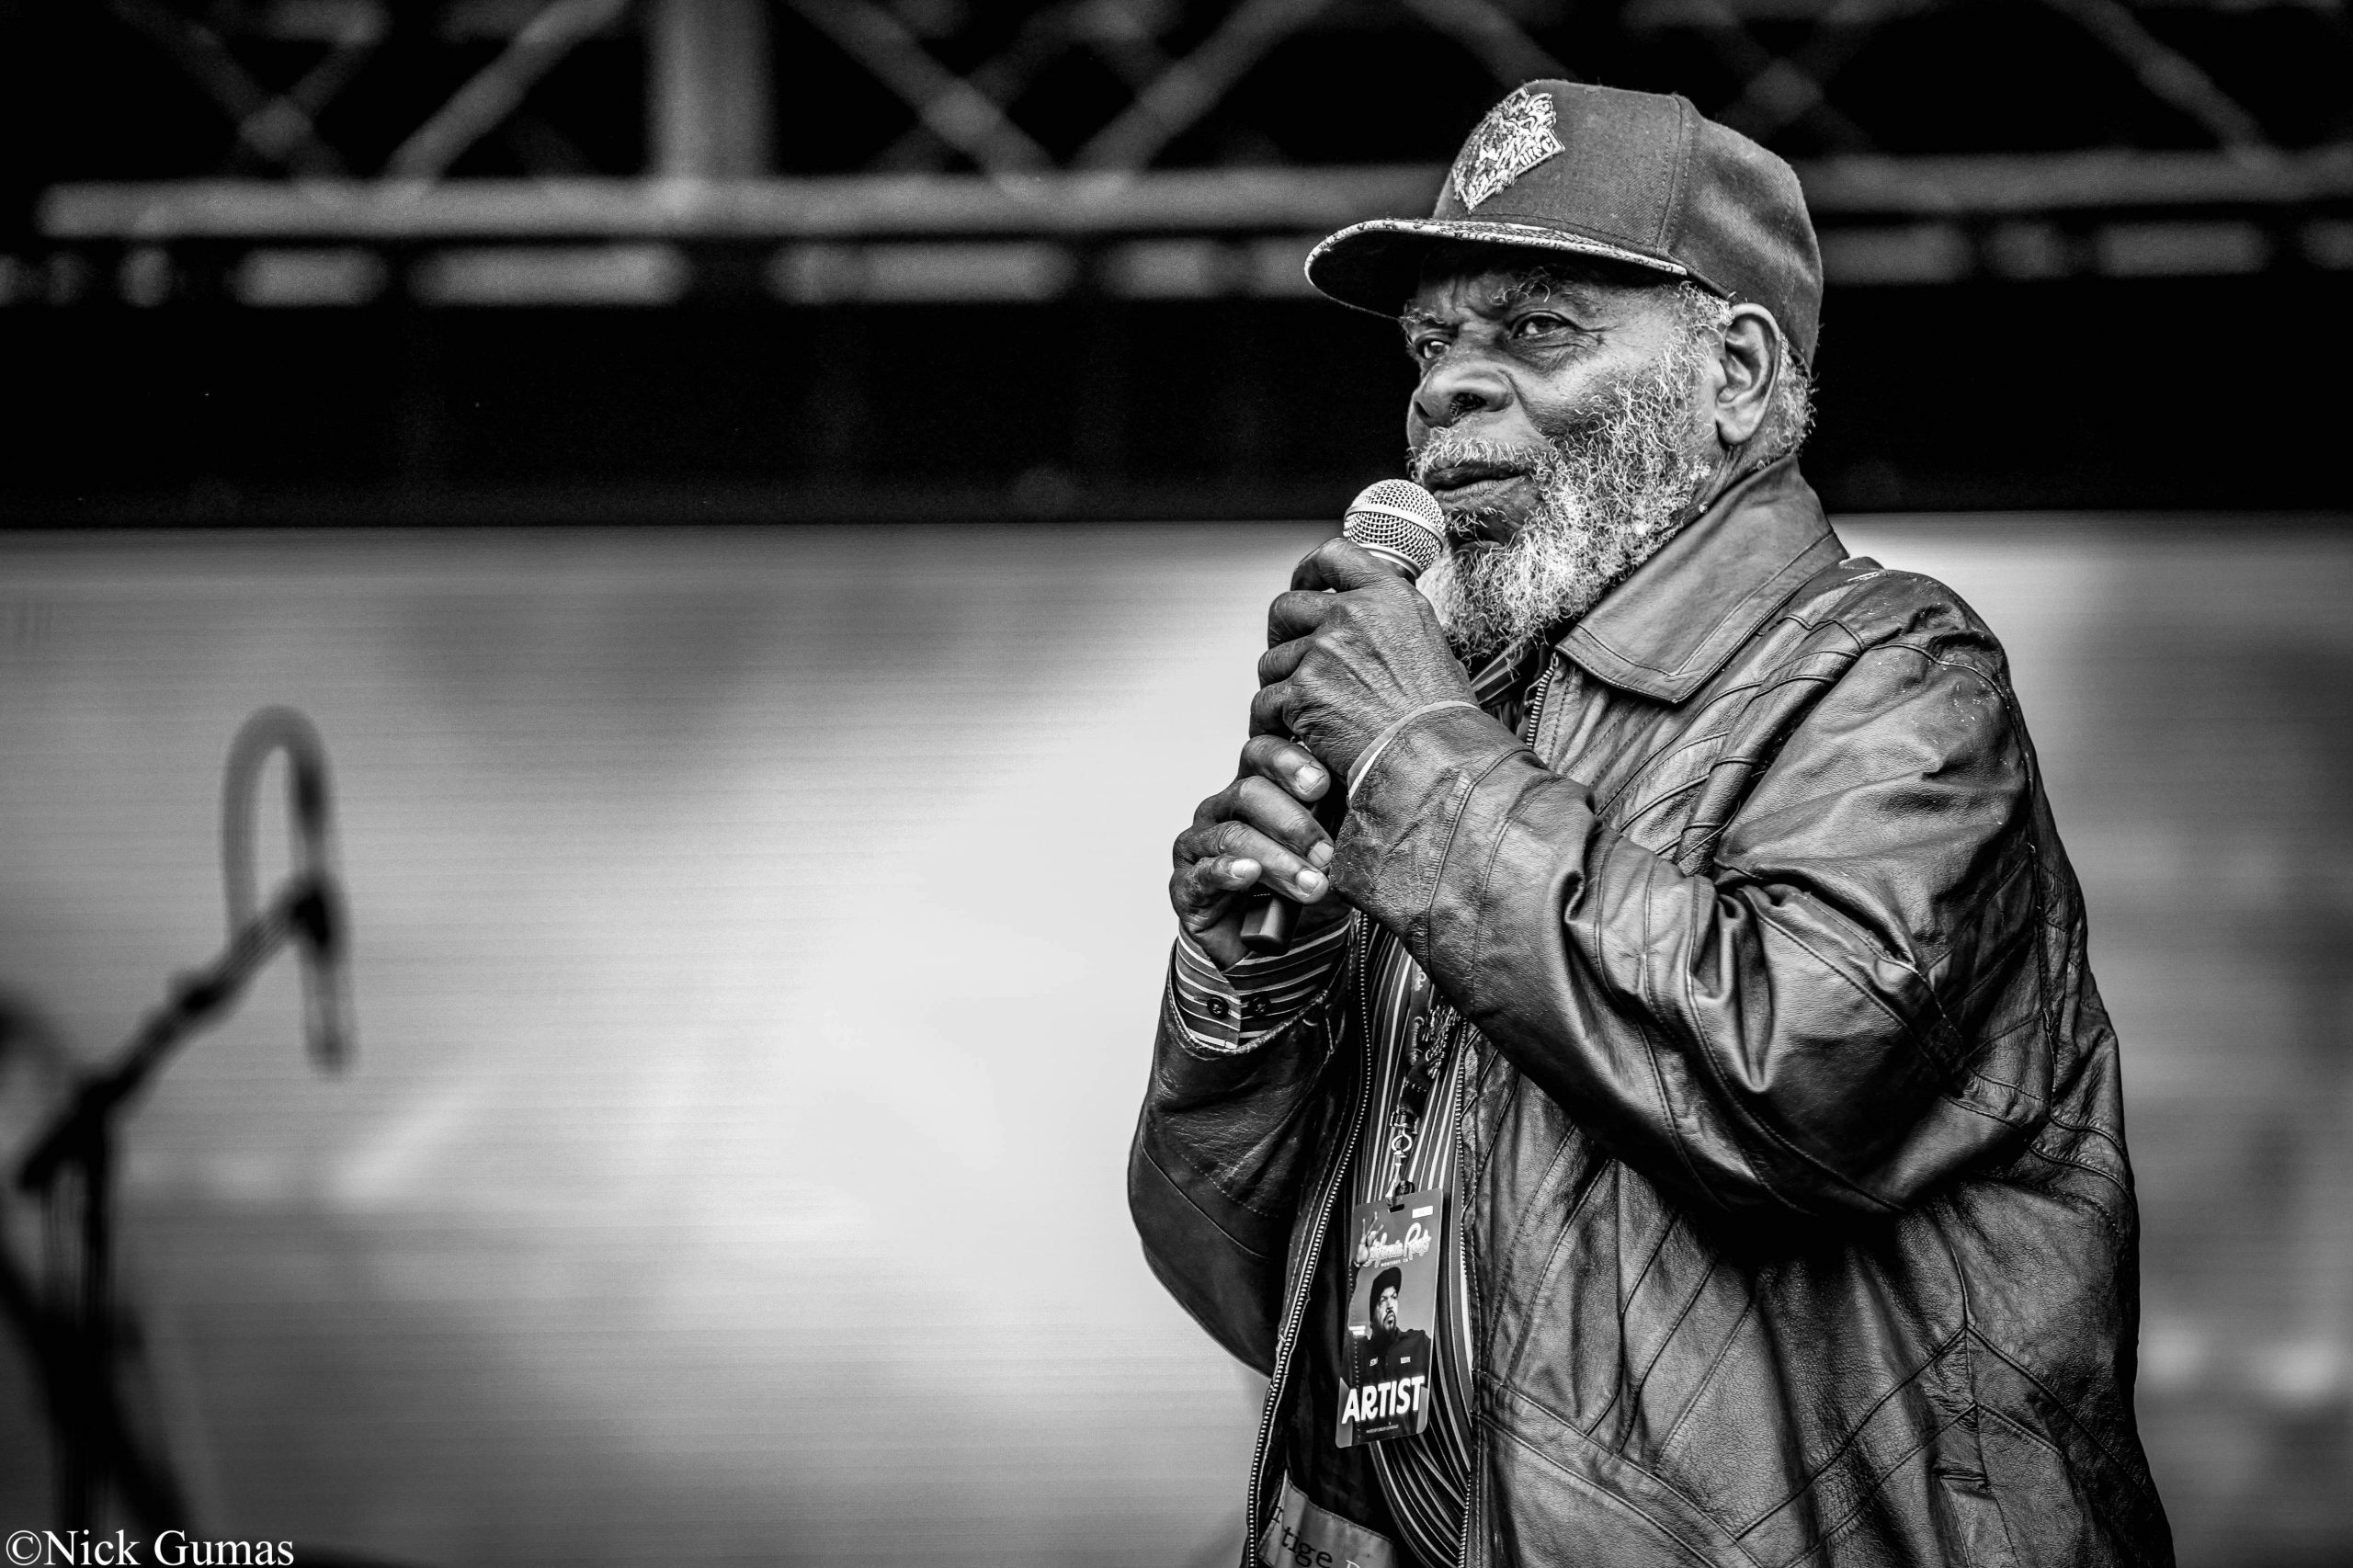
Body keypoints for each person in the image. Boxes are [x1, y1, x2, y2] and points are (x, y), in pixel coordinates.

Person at [1130, 81, 2173, 1568]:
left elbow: (1794, 1079)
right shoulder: (1459, 742)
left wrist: (1419, 757)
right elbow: (1262, 1299)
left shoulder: (1893, 673)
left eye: (1536, 329)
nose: (1447, 387)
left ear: (1735, 373)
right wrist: (1248, 999)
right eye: (1431, 344)